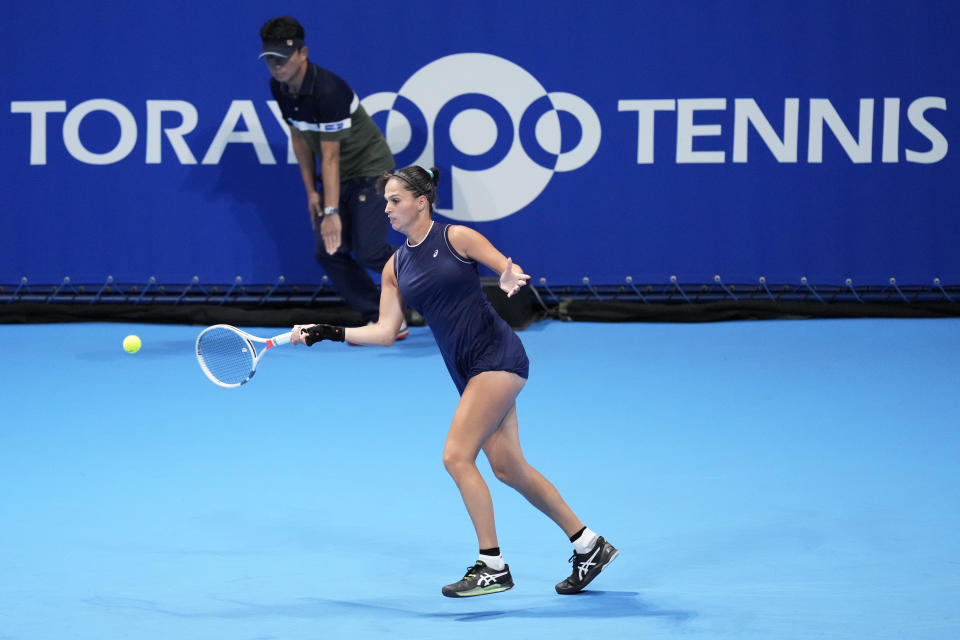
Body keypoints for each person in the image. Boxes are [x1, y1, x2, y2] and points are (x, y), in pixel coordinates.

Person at [290, 165, 618, 597]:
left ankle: (492, 565)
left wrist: (506, 273)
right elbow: (386, 332)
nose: (386, 209)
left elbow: (503, 266)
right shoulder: (395, 267)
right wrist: (331, 331)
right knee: (507, 467)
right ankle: (589, 544)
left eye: (395, 200)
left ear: (420, 201)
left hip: (495, 357)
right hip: (468, 371)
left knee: (456, 457)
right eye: (385, 201)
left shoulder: (455, 238)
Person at [259, 16, 407, 338]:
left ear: (302, 53)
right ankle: (384, 317)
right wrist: (312, 191)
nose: (276, 66)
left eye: (282, 59)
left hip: (370, 171)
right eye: (270, 59)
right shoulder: (279, 87)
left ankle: (434, 267)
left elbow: (330, 154)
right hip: (338, 176)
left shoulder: (329, 90)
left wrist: (330, 211)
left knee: (369, 251)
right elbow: (299, 138)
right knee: (328, 252)